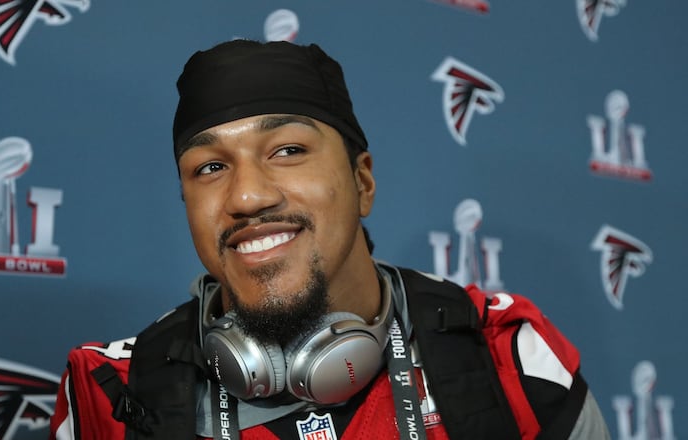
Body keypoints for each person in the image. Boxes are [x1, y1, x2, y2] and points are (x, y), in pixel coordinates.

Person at [49, 40, 610, 440]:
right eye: (210, 167)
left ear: (362, 181)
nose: (246, 197)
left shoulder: (505, 357)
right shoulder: (113, 394)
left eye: (288, 151)